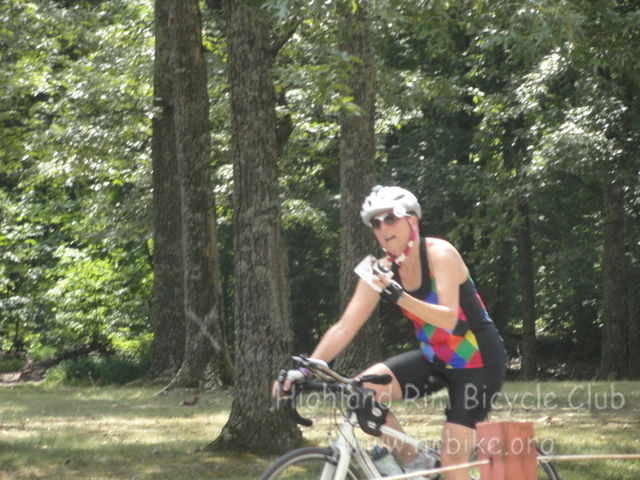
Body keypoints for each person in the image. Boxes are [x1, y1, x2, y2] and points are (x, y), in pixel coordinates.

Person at [273, 185, 506, 480]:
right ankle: (417, 462)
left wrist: (399, 297)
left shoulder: (440, 253)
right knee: (362, 394)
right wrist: (308, 369)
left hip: (479, 362)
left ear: (412, 221)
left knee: (452, 459)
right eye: (376, 223)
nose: (383, 228)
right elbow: (345, 326)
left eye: (391, 218)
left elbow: (448, 318)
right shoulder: (380, 270)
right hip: (435, 358)